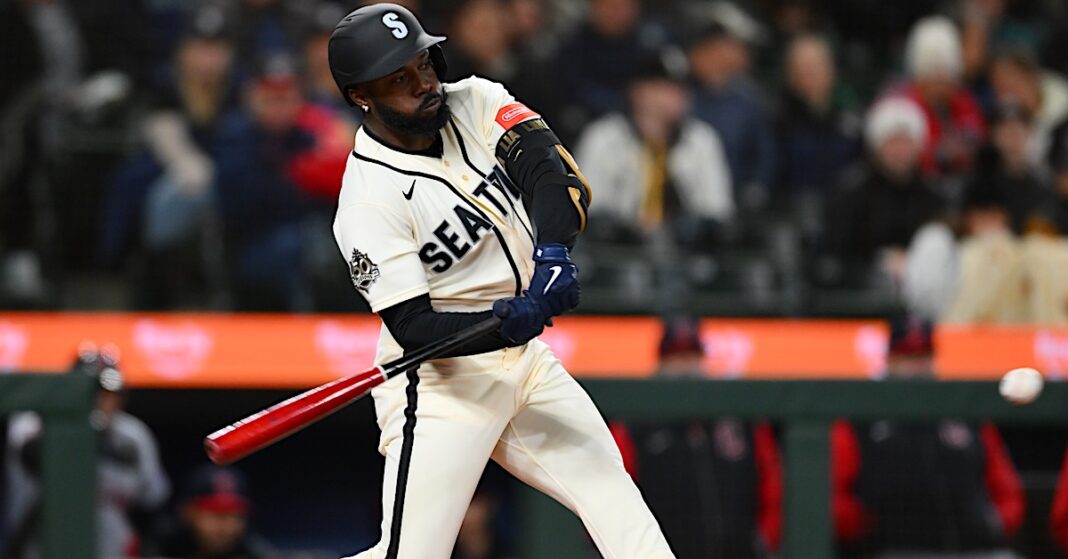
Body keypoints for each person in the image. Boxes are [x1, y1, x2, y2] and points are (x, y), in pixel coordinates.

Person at [327, 4, 674, 558]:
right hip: (441, 384)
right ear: (361, 95)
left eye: (423, 64)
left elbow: (549, 172)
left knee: (618, 505)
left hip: (527, 363)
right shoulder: (367, 201)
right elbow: (412, 326)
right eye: (399, 79)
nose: (424, 84)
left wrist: (553, 253)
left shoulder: (477, 100)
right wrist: (499, 325)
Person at [832, 318, 1025, 558]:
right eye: (907, 357)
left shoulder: (966, 416)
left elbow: (1007, 492)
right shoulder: (862, 421)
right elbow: (834, 498)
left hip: (973, 550)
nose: (917, 366)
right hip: (895, 551)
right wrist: (866, 525)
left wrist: (994, 522)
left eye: (924, 356)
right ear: (889, 360)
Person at [610, 317, 783, 558]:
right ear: (661, 364)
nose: (684, 367)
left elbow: (772, 484)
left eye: (691, 356)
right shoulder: (636, 425)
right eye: (676, 358)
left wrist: (766, 539)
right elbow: (613, 496)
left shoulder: (740, 419)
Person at [3, 343, 170, 558]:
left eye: (109, 394)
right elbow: (28, 460)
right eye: (93, 393)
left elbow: (153, 500)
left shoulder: (133, 436)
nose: (101, 402)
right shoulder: (31, 426)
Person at [821, 97, 945, 286]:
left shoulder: (934, 195)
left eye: (906, 142)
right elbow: (837, 254)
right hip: (863, 289)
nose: (900, 151)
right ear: (876, 147)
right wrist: (879, 261)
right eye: (892, 142)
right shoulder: (850, 193)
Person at [148, 464, 279, 559]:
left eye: (236, 516)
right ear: (188, 512)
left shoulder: (253, 551)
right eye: (217, 515)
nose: (227, 527)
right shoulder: (158, 545)